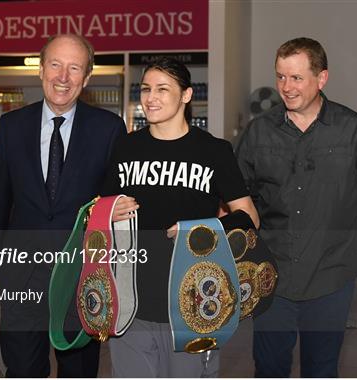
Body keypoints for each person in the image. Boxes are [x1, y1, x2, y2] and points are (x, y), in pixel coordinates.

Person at [235, 37, 357, 377]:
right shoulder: (258, 132)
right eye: (280, 76)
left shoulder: (353, 129)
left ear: (322, 78)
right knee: (268, 369)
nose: (286, 87)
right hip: (270, 277)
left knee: (321, 370)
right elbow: (237, 200)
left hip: (330, 278)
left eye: (296, 78)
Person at [0, 34, 126, 377]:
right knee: (23, 368)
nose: (63, 77)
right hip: (22, 275)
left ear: (86, 79)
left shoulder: (109, 129)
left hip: (81, 277)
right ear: (41, 70)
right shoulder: (12, 127)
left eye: (74, 68)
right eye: (55, 65)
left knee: (78, 370)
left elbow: (114, 208)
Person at [101, 57, 259, 377]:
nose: (151, 98)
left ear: (186, 96)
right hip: (132, 303)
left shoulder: (214, 151)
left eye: (162, 89)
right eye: (145, 89)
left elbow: (249, 217)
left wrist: (199, 230)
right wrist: (104, 210)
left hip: (193, 303)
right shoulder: (124, 148)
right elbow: (99, 213)